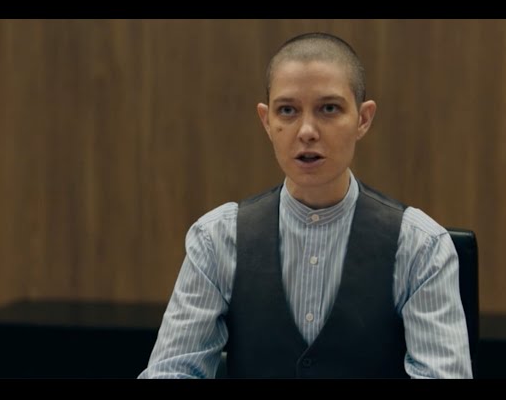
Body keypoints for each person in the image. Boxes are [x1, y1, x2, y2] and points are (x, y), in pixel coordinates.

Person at [139, 32, 473, 379]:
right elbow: (171, 371)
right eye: (288, 110)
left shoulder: (421, 245)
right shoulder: (217, 239)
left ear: (363, 119)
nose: (307, 131)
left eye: (329, 109)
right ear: (267, 121)